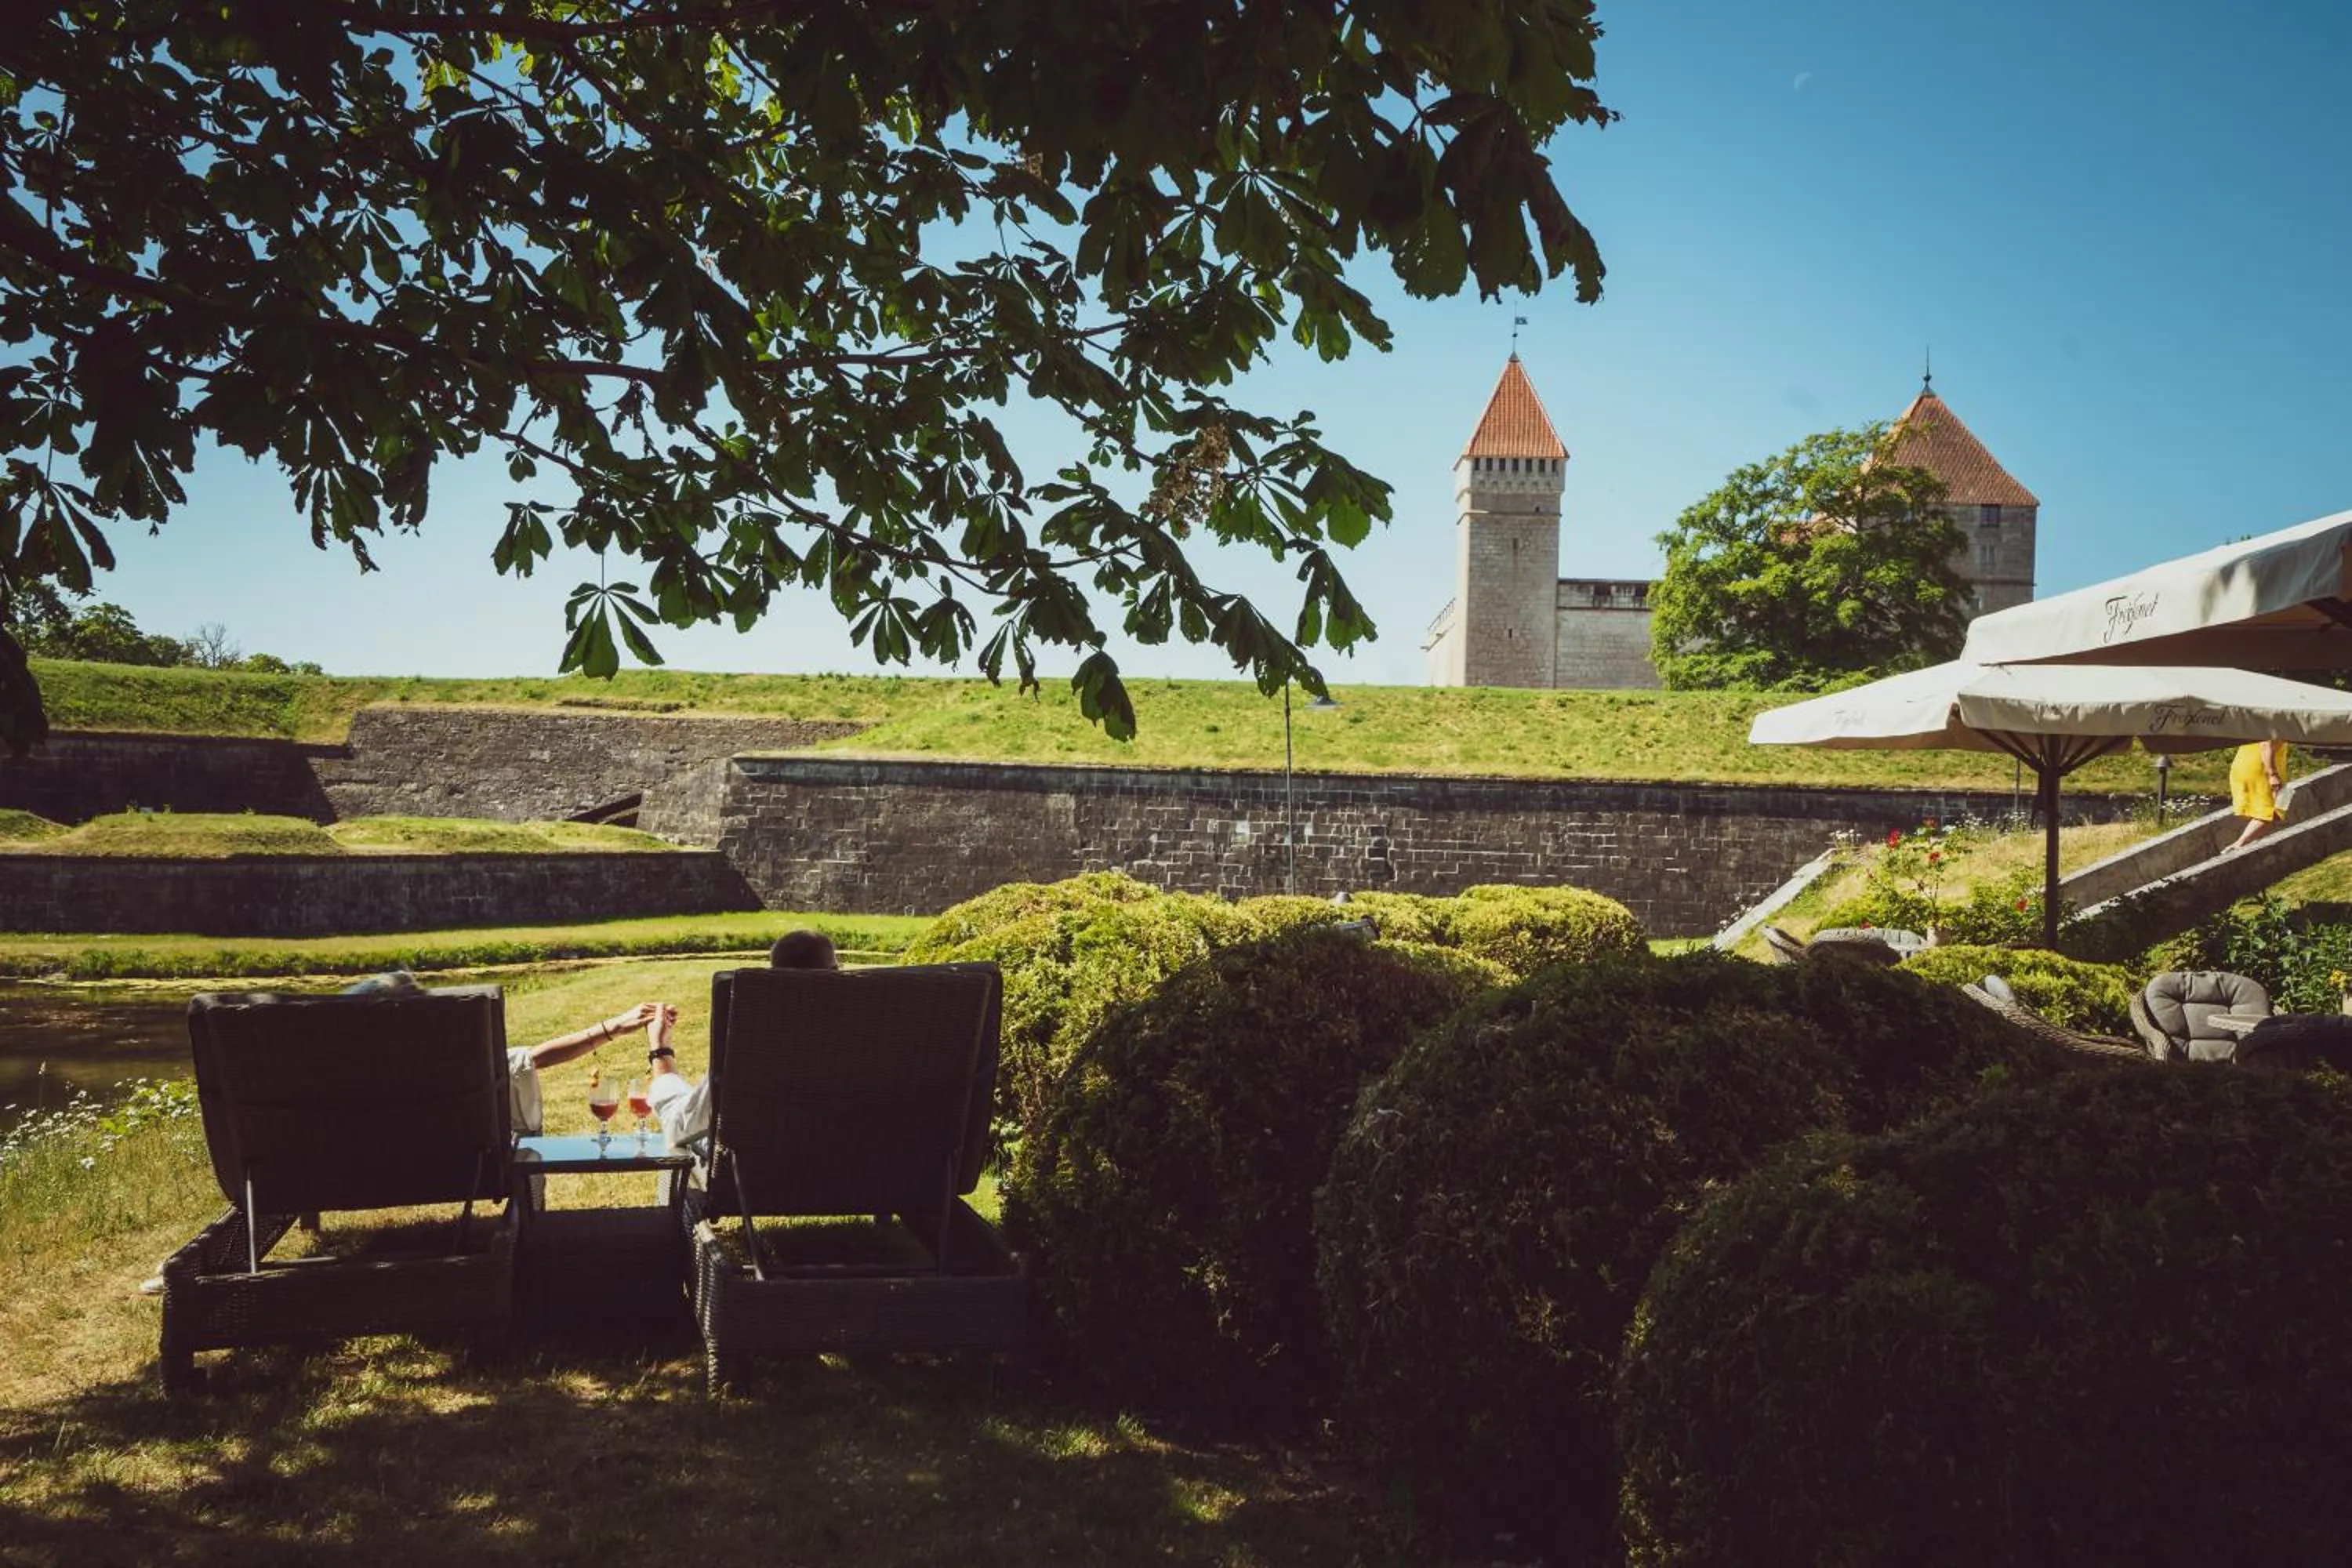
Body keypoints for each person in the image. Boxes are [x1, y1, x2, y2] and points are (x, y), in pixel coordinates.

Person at [644, 929, 839, 1153]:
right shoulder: (871, 1043)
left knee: (677, 1130)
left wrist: (660, 1050)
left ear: (774, 980)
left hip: (756, 1182)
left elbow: (682, 1127)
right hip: (854, 1178)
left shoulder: (756, 1046)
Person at [2227, 739, 2291, 851]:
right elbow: (2266, 744)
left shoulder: (2257, 721)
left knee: (2274, 809)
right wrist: (2273, 774)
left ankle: (2244, 843)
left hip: (2244, 765)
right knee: (2274, 811)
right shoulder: (2275, 722)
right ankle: (2239, 845)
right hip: (2262, 770)